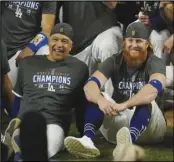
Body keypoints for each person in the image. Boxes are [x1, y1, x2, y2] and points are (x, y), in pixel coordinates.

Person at [64, 22, 167, 161]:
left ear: (147, 44)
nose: (133, 45)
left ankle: (128, 142)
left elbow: (153, 89)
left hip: (152, 127)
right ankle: (87, 140)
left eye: (139, 41)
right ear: (124, 42)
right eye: (130, 40)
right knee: (98, 95)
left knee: (147, 100)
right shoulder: (115, 60)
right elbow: (89, 86)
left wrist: (124, 104)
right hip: (120, 128)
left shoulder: (155, 62)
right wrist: (101, 101)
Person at [3, 23, 89, 161]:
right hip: (26, 120)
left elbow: (80, 104)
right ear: (49, 42)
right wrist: (15, 120)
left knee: (41, 149)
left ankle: (17, 152)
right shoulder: (28, 63)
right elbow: (18, 99)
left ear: (71, 46)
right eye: (55, 39)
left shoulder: (80, 68)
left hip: (54, 123)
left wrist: (83, 132)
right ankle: (16, 140)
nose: (59, 45)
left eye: (64, 41)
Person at [56, 1, 123, 96]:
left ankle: (114, 100)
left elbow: (121, 7)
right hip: (76, 45)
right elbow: (50, 12)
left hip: (104, 31)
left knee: (108, 44)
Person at [2, 1, 57, 87]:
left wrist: (31, 47)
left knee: (45, 51)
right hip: (2, 44)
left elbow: (47, 30)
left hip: (20, 51)